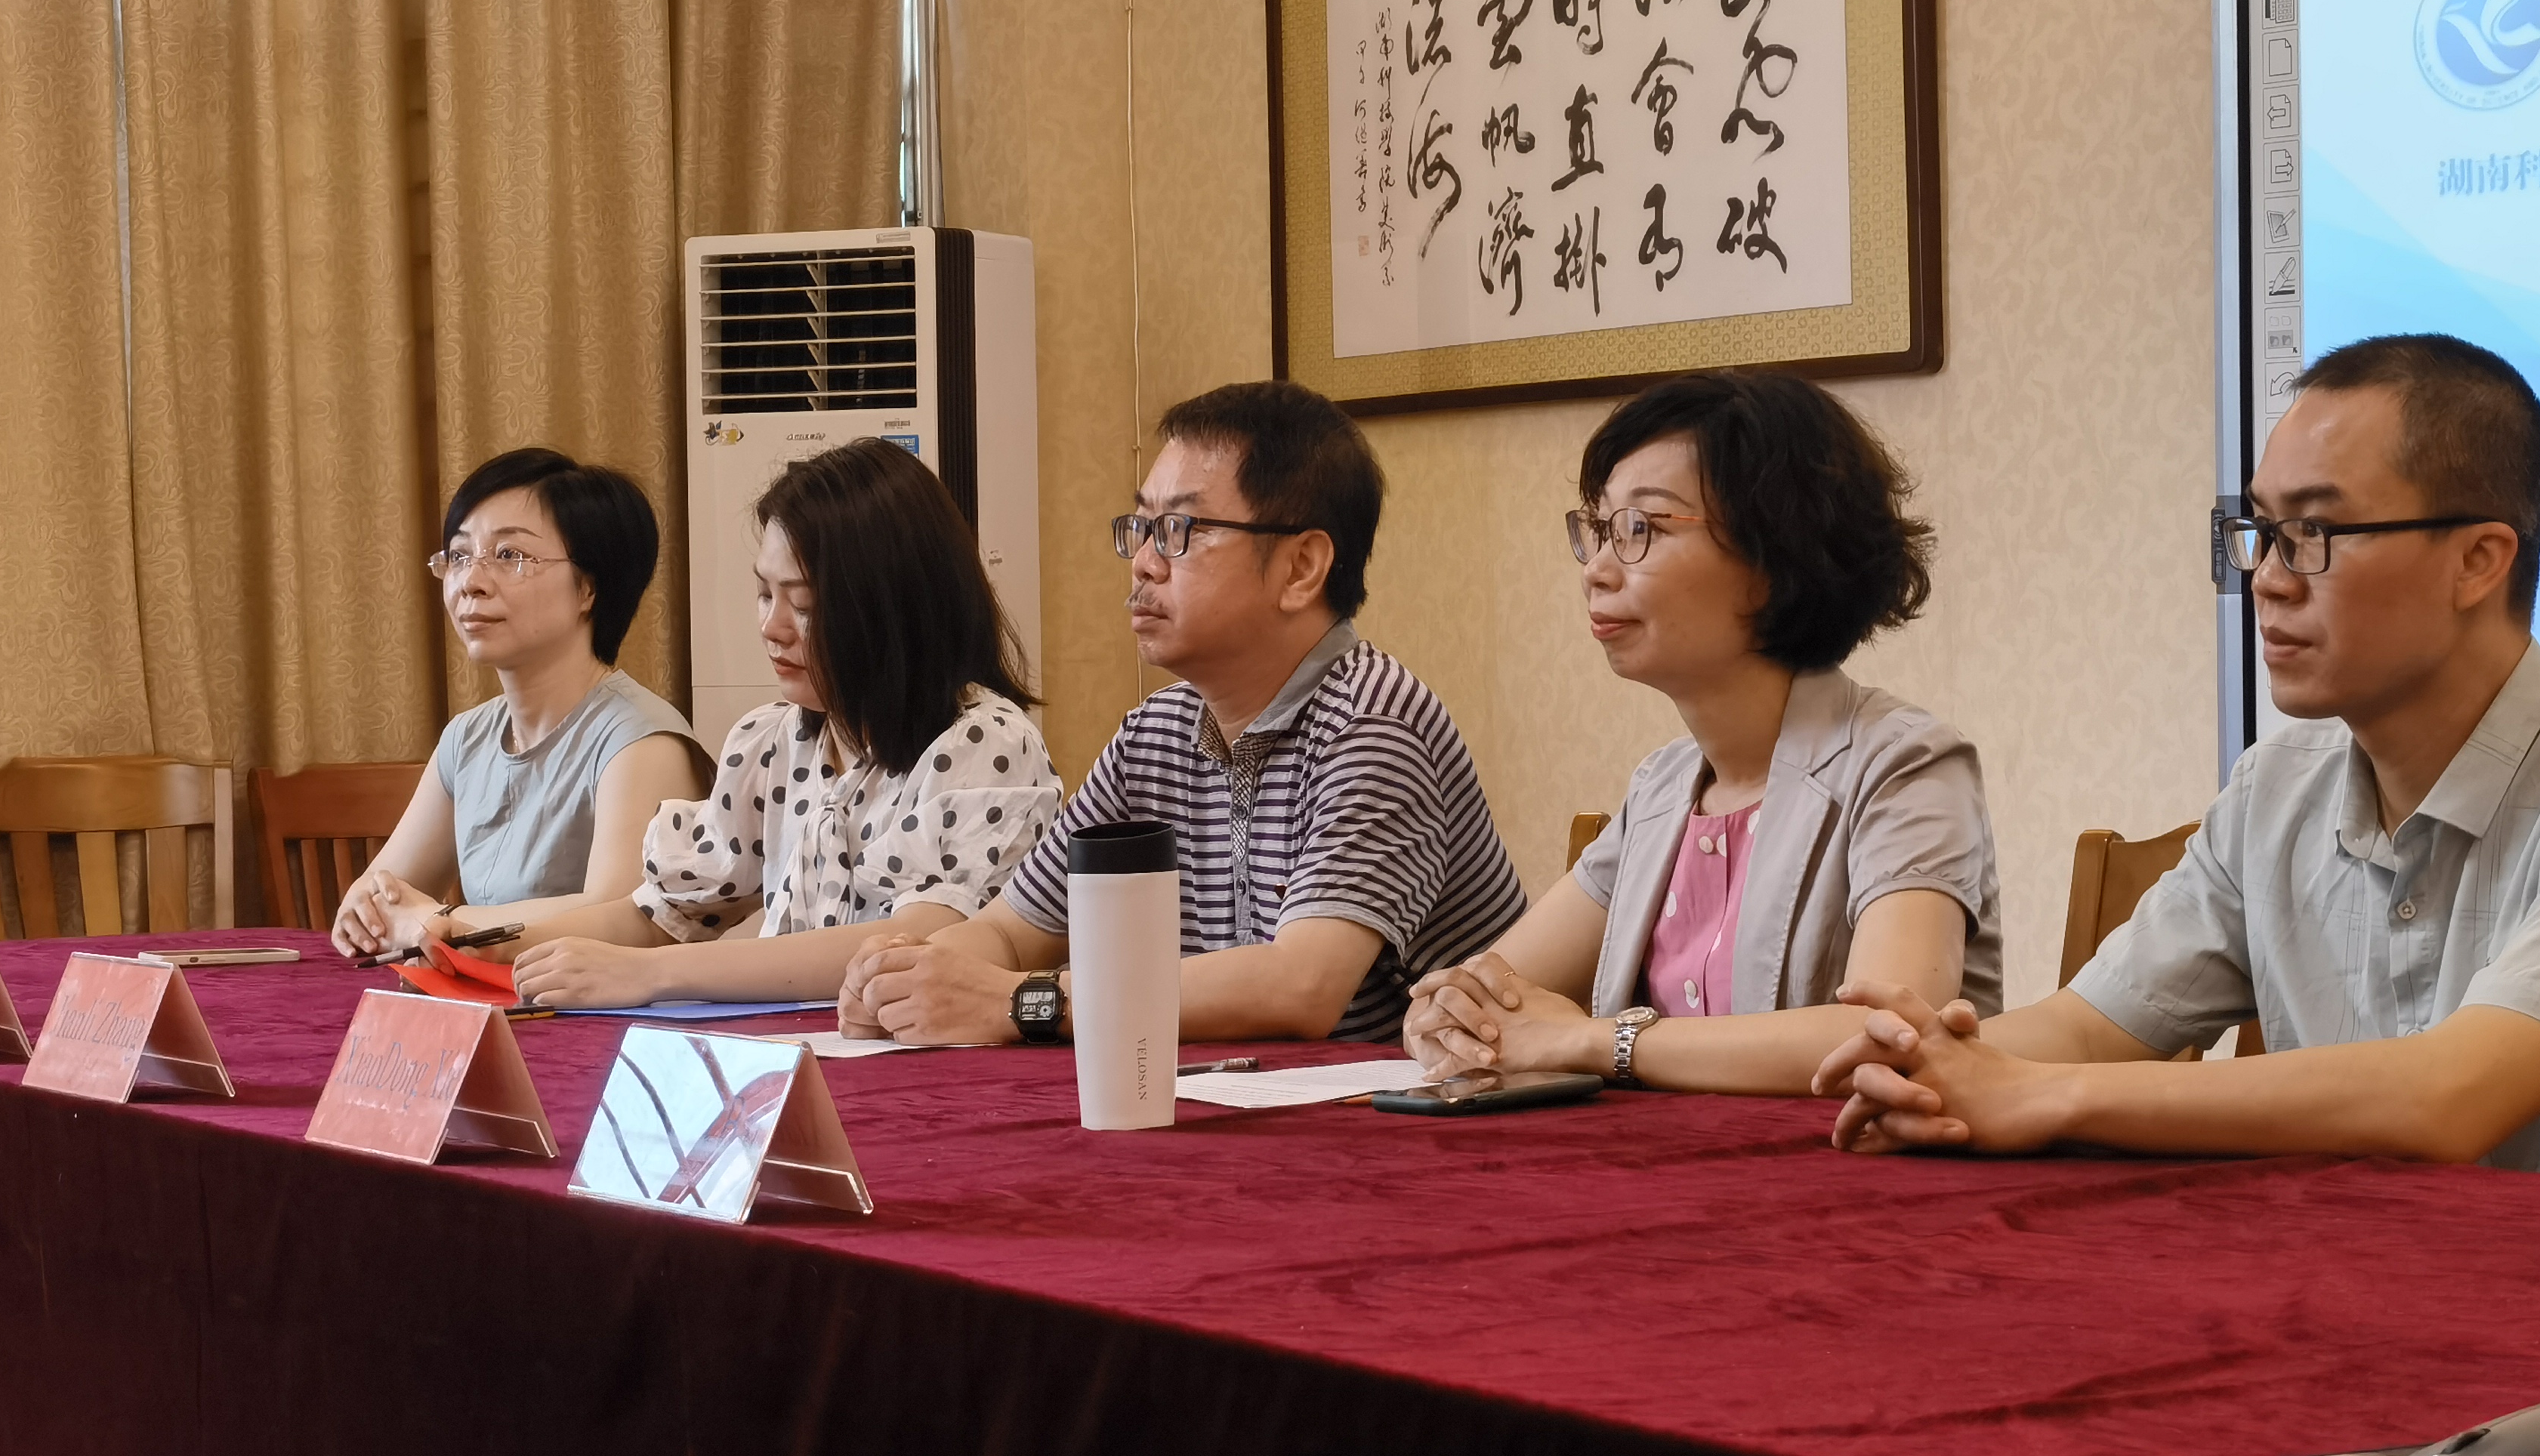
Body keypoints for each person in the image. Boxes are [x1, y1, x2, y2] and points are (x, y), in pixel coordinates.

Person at [1815, 332, 2540, 1198]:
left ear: (2479, 560)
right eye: (2260, 533)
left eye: (2316, 534)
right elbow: (2087, 1029)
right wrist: (1932, 1064)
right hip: (2397, 1284)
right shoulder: (2277, 785)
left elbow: (2449, 1097)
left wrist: (2044, 1098)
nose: (2269, 581)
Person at [839, 381, 1524, 1046]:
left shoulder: (1374, 725)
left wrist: (1021, 1002)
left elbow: (1302, 986)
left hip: (1416, 1108)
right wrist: (907, 979)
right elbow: (1011, 933)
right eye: (1141, 528)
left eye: (1178, 531)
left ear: (1301, 568)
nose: (1143, 563)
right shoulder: (1155, 733)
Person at [1401, 369, 1999, 1096]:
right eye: (1599, 530)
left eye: (1642, 530)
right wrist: (1443, 1015)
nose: (1596, 571)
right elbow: (1483, 993)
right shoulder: (1662, 789)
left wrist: (1598, 1040)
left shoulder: (1907, 765)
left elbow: (1891, 1036)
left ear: (1774, 558)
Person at [491, 437, 1063, 1009]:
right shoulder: (772, 741)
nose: (772, 627)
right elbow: (661, 914)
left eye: (804, 605)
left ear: (894, 609)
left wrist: (650, 973)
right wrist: (489, 942)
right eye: (764, 594)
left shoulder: (984, 742)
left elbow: (913, 940)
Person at [333, 449, 705, 958]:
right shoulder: (467, 738)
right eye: (459, 556)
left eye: (510, 556)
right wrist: (366, 912)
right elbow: (381, 899)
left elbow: (622, 918)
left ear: (589, 588)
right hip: (490, 994)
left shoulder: (642, 742)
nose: (471, 582)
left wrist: (442, 922)